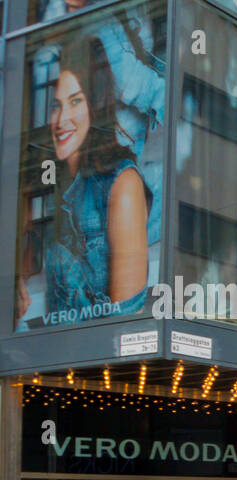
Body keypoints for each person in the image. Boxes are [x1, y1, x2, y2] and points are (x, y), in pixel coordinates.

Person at [22, 37, 151, 325]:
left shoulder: (122, 185)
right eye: (56, 105)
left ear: (96, 105)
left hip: (96, 365)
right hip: (50, 357)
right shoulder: (51, 181)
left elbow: (124, 324)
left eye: (75, 101)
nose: (62, 118)